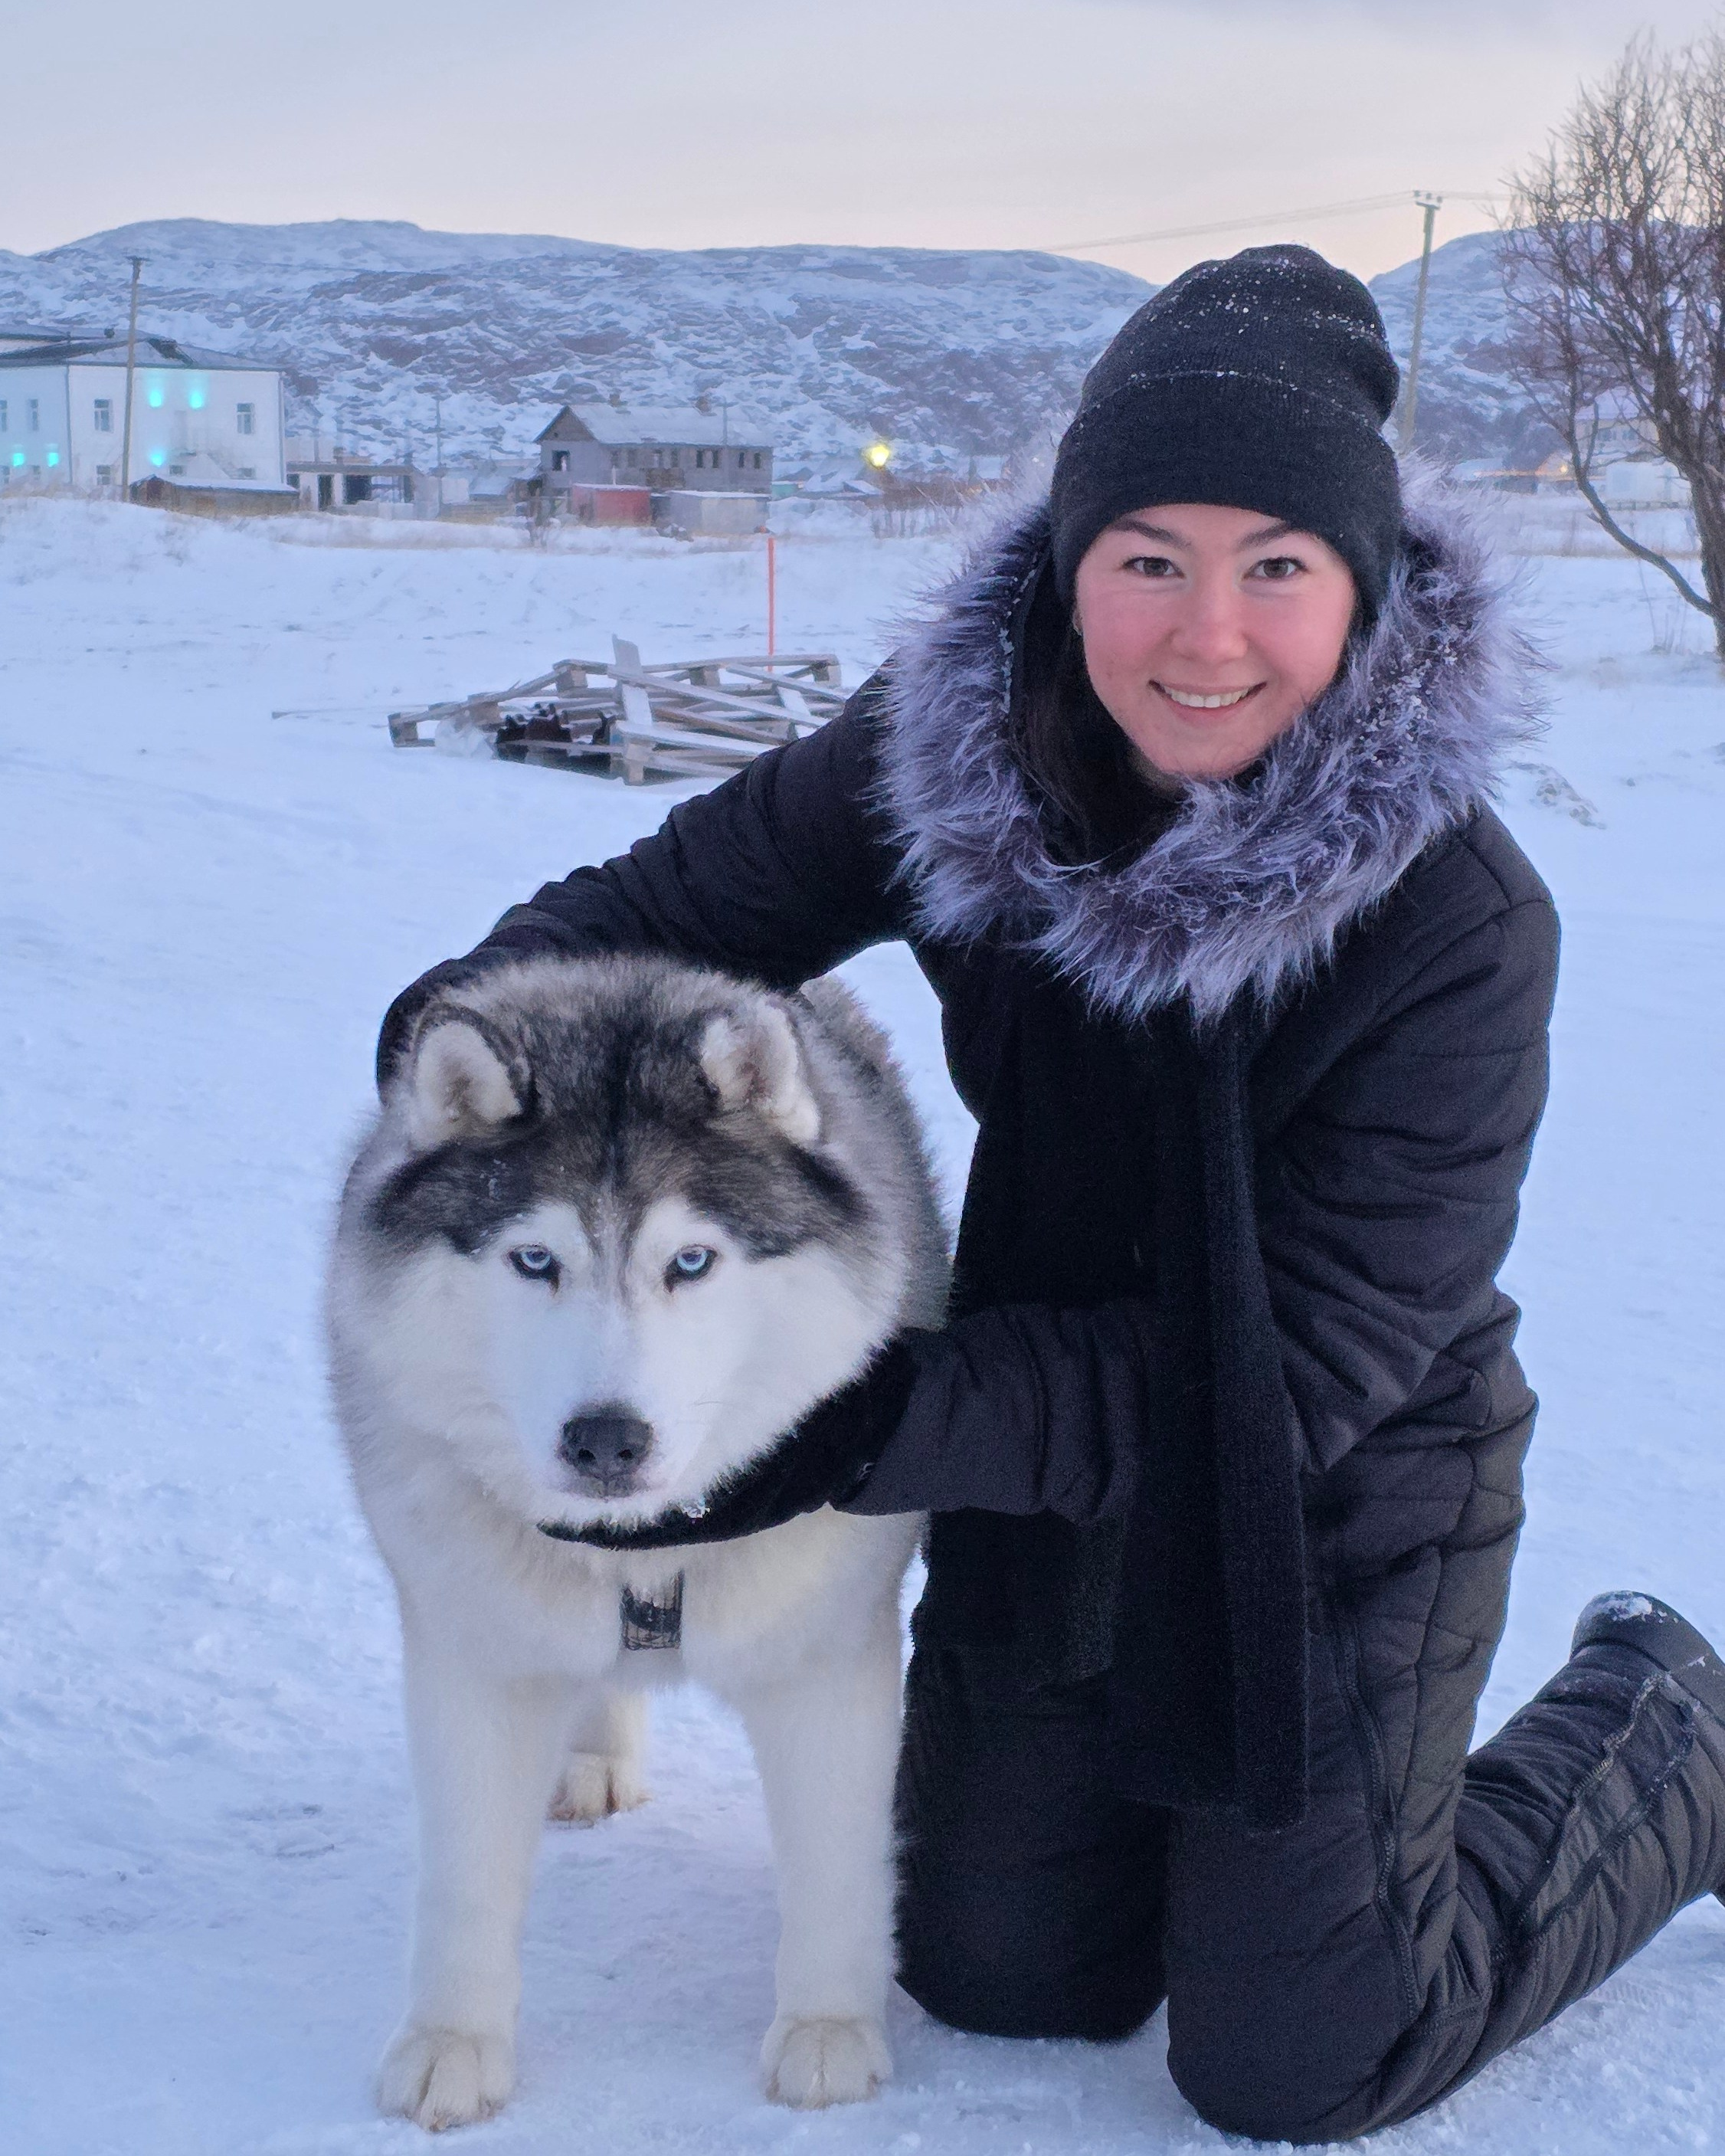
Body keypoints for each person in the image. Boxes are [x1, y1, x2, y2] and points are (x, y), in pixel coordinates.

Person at [378, 247, 1725, 2142]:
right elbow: (627, 922)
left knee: (1298, 2052)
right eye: (1147, 558)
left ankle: (1668, 1727)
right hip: (1037, 1438)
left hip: (1331, 1475)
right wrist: (457, 1084)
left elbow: (1305, 1370)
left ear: (1365, 589)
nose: (1205, 634)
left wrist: (852, 1424)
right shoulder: (948, 764)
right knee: (998, 1969)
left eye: (1278, 567)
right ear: (1066, 567)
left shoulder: (1459, 925)